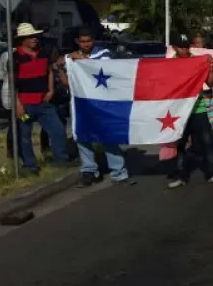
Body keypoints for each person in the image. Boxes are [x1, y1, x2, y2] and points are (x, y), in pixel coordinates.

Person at [56, 27, 131, 186]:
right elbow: (66, 82)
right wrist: (62, 68)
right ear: (78, 42)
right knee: (83, 136)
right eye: (82, 42)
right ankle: (89, 171)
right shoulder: (72, 58)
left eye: (89, 41)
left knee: (107, 136)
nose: (86, 44)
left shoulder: (103, 54)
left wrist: (76, 58)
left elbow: (98, 68)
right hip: (82, 103)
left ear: (93, 40)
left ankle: (119, 172)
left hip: (103, 103)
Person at [12, 23, 71, 175]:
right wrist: (17, 104)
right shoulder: (15, 58)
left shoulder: (44, 53)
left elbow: (49, 71)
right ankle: (30, 166)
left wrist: (50, 90)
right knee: (24, 136)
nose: (34, 39)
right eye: (30, 37)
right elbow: (12, 83)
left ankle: (62, 160)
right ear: (22, 39)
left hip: (44, 102)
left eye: (35, 36)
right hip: (25, 103)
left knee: (57, 130)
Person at [167, 33, 213, 189]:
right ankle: (180, 175)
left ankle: (212, 173)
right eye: (181, 47)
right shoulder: (169, 64)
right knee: (180, 144)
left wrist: (210, 69)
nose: (185, 50)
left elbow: (209, 84)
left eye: (187, 47)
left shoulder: (197, 61)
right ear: (174, 48)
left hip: (198, 108)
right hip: (179, 111)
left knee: (207, 142)